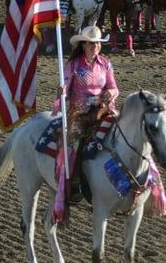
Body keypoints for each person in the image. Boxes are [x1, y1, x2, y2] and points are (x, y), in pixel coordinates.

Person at [52, 25, 118, 202]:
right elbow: (64, 85)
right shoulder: (73, 65)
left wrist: (110, 93)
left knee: (122, 130)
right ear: (83, 45)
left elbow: (113, 87)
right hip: (79, 112)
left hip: (102, 109)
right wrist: (62, 92)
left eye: (97, 43)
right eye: (90, 43)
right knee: (74, 143)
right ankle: (73, 181)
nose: (94, 46)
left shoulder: (105, 63)